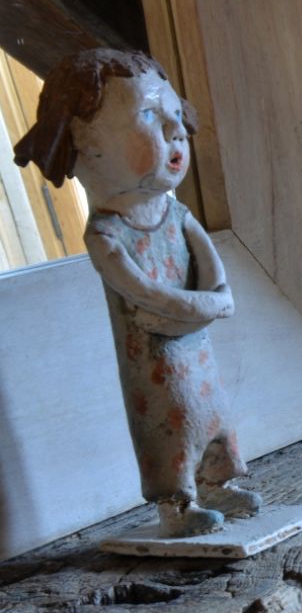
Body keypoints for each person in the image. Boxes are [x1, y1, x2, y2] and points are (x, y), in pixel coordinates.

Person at [12, 49, 260, 537]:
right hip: (155, 364)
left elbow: (218, 284)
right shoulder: (106, 234)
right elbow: (143, 293)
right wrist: (203, 308)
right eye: (149, 116)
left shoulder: (178, 217)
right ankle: (177, 503)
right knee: (167, 424)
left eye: (174, 115)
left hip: (196, 354)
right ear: (84, 142)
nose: (174, 131)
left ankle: (216, 483)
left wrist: (204, 305)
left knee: (213, 416)